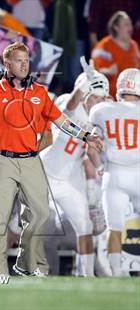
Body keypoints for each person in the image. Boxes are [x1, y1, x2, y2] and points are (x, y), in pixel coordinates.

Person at [0, 42, 103, 276]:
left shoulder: (39, 92)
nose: (24, 65)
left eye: (26, 61)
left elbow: (61, 121)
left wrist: (85, 135)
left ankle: (25, 260)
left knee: (41, 213)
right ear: (7, 64)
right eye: (19, 61)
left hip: (31, 160)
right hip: (2, 160)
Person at [40, 68, 110, 276]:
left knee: (84, 226)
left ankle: (86, 275)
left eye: (102, 98)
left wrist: (101, 170)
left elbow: (91, 150)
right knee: (23, 227)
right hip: (44, 172)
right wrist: (81, 88)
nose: (99, 102)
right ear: (86, 93)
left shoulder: (98, 118)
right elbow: (68, 110)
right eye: (95, 97)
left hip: (67, 180)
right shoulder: (66, 101)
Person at [87, 68, 140, 276]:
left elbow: (91, 147)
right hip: (138, 172)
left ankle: (116, 273)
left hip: (113, 174)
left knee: (114, 227)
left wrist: (100, 168)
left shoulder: (101, 110)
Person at [91, 11, 140, 98]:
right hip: (110, 98)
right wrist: (108, 71)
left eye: (130, 24)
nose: (130, 27)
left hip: (133, 98)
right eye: (126, 24)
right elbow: (94, 72)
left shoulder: (134, 46)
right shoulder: (103, 46)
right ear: (116, 27)